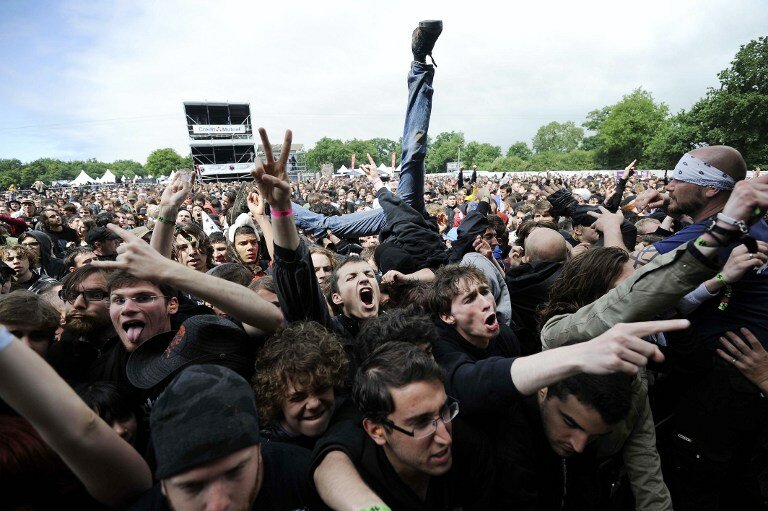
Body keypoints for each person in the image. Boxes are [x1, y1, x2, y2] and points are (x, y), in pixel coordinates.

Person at [314, 341, 495, 510]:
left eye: (444, 411)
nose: (445, 438)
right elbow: (328, 468)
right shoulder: (361, 472)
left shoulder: (470, 447)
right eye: (422, 423)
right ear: (377, 431)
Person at [253, 321, 348, 450]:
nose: (314, 404)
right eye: (298, 397)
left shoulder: (349, 414)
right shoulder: (266, 452)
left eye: (321, 389)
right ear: (275, 401)